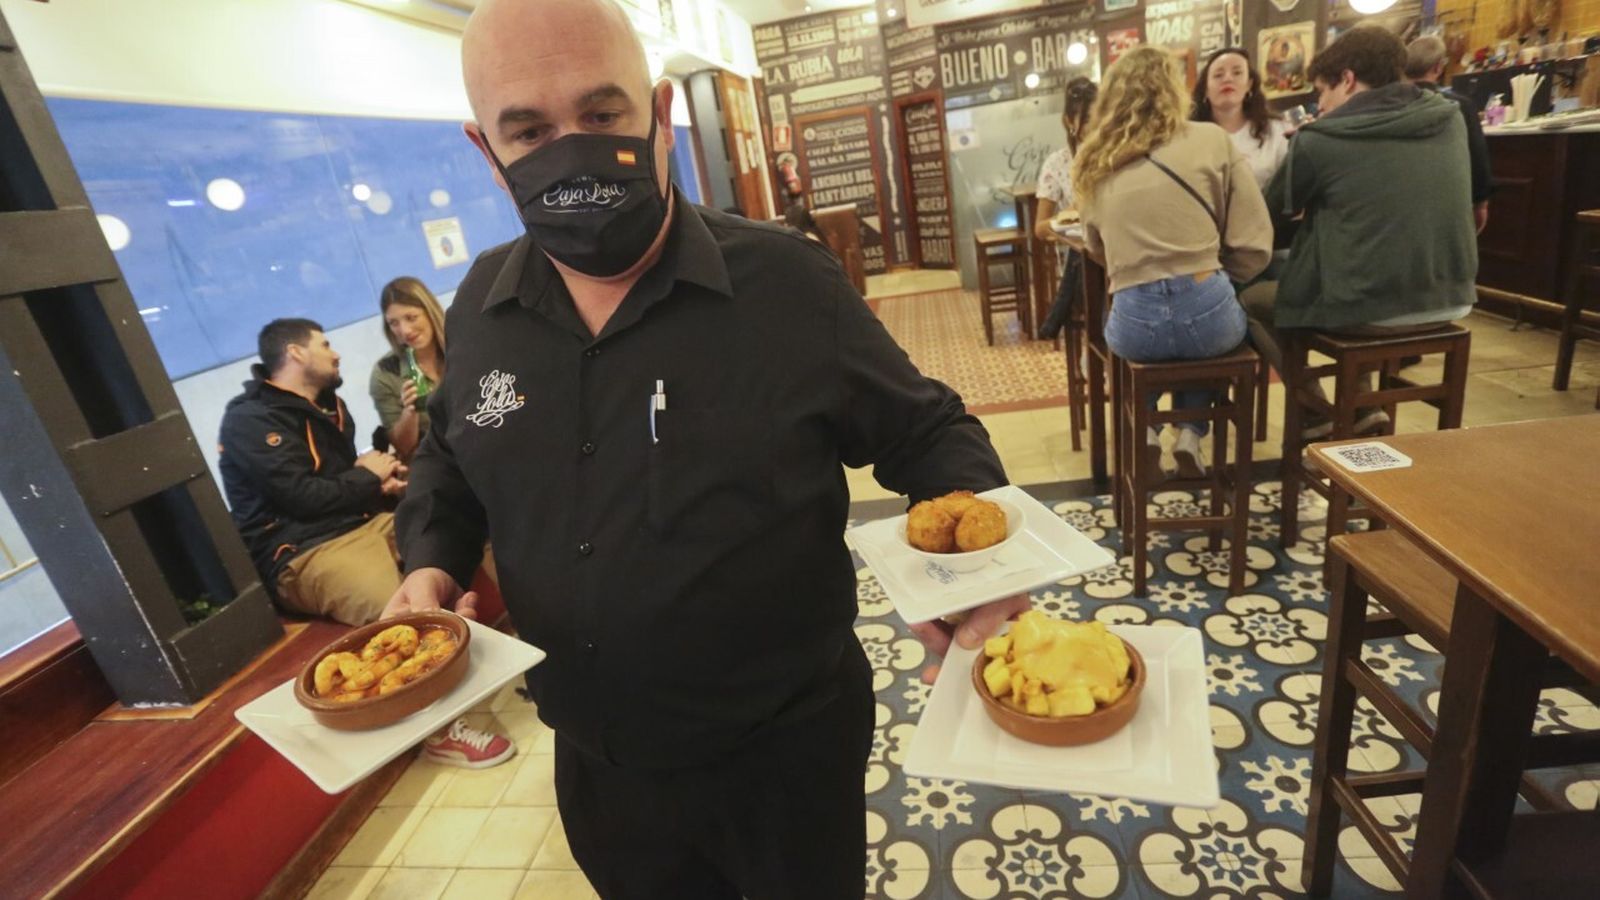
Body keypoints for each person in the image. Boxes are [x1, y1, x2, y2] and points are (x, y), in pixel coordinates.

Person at [383, 0, 1026, 896]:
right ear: (485, 152)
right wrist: (429, 561)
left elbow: (929, 432)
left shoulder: (787, 284)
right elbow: (451, 456)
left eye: (601, 115)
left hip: (784, 764)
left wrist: (983, 570)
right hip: (598, 766)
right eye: (528, 129)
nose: (570, 149)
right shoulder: (482, 302)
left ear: (657, 113)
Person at [220, 318, 514, 768]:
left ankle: (538, 641)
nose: (335, 353)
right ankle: (437, 730)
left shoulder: (329, 404)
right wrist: (367, 476)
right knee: (396, 607)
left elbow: (343, 482)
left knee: (476, 534)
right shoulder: (249, 420)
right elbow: (299, 497)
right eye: (325, 344)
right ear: (296, 353)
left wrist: (384, 484)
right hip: (304, 550)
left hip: (365, 521)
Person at [1241, 26, 1477, 439]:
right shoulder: (1449, 120)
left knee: (1249, 301)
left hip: (1368, 310)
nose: (1320, 104)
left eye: (1321, 92)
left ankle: (1317, 409)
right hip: (1451, 298)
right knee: (1364, 260)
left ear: (1347, 79)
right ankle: (1363, 403)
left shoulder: (1321, 138)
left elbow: (1266, 220)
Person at [1072, 47, 1272, 477]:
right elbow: (1255, 243)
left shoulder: (1094, 159)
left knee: (1143, 341)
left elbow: (1095, 246)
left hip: (1135, 322)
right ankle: (1190, 433)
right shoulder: (1211, 140)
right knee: (1206, 338)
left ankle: (1143, 428)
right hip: (1207, 309)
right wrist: (1214, 275)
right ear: (1175, 89)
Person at [1405, 34, 1492, 234]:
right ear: (1438, 67)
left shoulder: (1389, 105)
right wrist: (1481, 204)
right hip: (1449, 207)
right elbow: (1477, 160)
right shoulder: (1459, 106)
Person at [1034, 76, 1097, 339]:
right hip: (1088, 257)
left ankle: (1058, 314)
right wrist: (1070, 215)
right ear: (1070, 122)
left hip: (1120, 254)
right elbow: (1040, 229)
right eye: (1088, 118)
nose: (1097, 125)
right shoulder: (1058, 163)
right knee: (1082, 260)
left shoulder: (1121, 152)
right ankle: (1103, 359)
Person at [369, 277, 448, 462]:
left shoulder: (462, 345)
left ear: (430, 312)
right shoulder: (385, 373)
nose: (404, 330)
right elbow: (404, 448)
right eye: (393, 323)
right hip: (437, 463)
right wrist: (409, 411)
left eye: (411, 318)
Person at [1192, 47, 1291, 190]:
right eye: (1218, 75)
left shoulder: (1278, 130)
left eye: (1237, 73)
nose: (1227, 78)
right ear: (1205, 89)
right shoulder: (1189, 137)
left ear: (1249, 85)